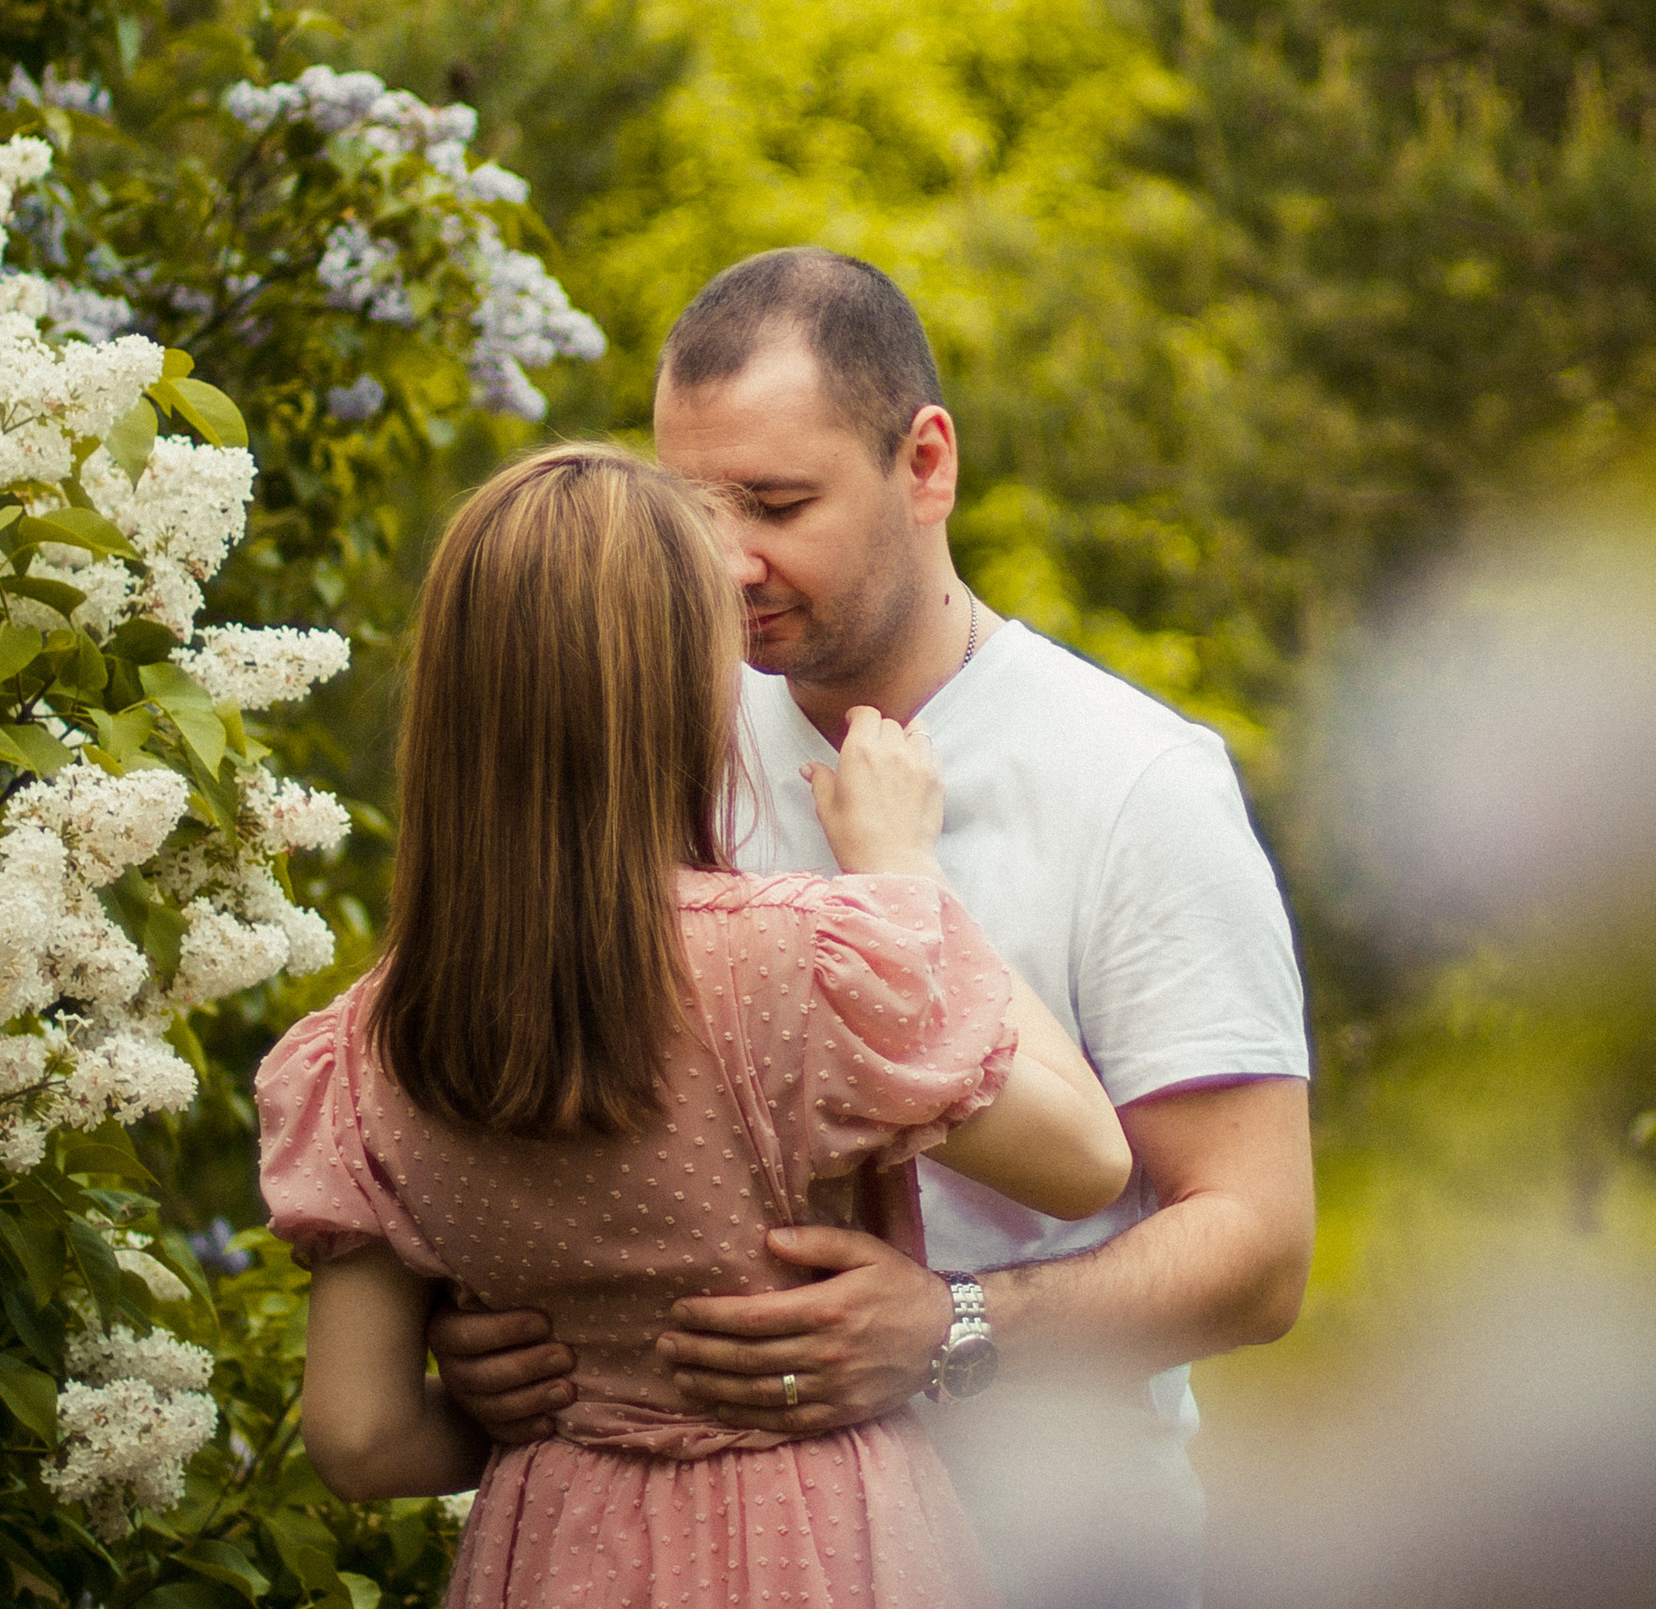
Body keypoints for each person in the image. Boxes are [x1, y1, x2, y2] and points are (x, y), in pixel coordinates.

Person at [431, 252, 1316, 1609]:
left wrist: (952, 1329)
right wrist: (483, 1336)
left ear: (926, 464)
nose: (728, 561)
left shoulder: (1136, 782)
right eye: (693, 505)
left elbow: (1256, 1249)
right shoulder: (647, 737)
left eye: (780, 504)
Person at [255, 443, 1133, 1609]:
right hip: (819, 1546)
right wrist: (904, 878)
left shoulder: (365, 1044)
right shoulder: (797, 964)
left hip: (554, 1548)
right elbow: (1085, 1160)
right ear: (683, 686)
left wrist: (530, 1412)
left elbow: (359, 1437)